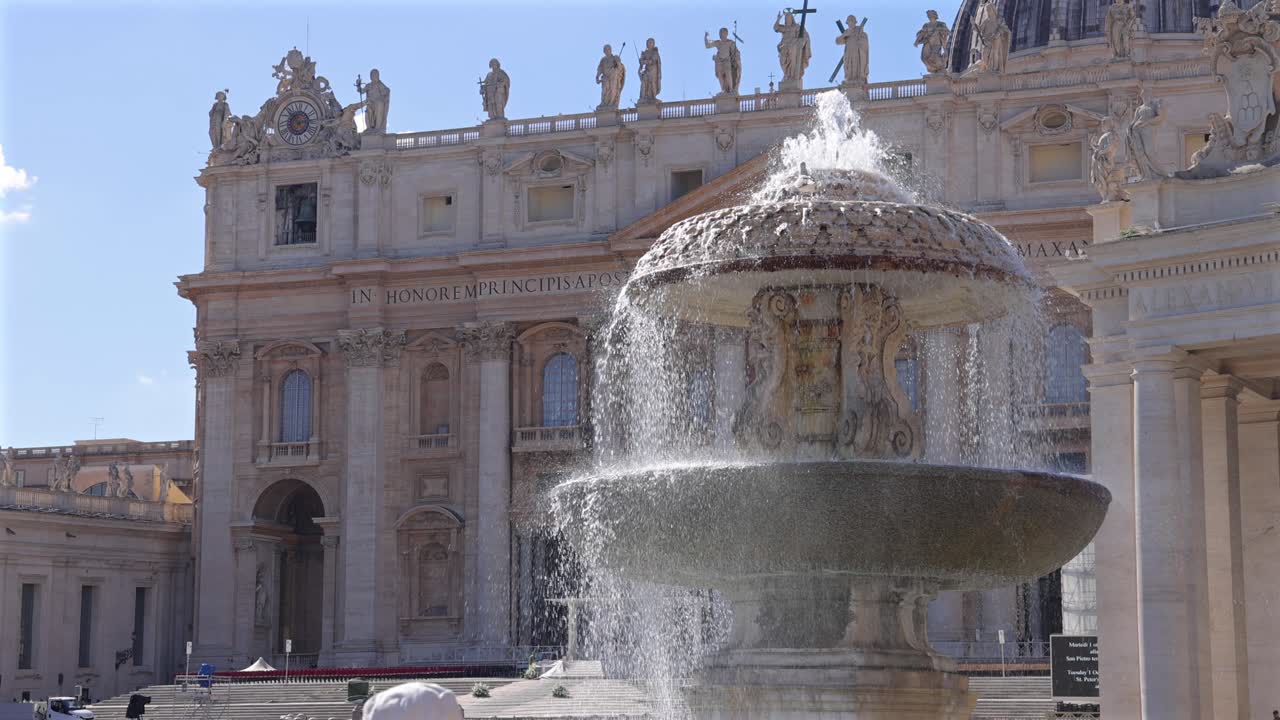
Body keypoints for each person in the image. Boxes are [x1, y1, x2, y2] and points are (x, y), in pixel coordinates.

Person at [705, 28, 742, 95]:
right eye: (721, 33)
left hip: (727, 61)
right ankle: (723, 90)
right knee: (720, 75)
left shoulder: (730, 42)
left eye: (724, 33)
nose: (722, 34)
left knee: (728, 74)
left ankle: (731, 90)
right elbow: (708, 45)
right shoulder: (718, 43)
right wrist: (706, 36)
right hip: (719, 61)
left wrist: (736, 58)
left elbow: (735, 52)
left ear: (727, 34)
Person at [638, 38, 662, 104]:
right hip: (646, 70)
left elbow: (652, 61)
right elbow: (642, 63)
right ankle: (644, 97)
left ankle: (653, 96)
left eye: (651, 42)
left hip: (653, 71)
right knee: (644, 83)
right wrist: (641, 61)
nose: (650, 44)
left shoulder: (655, 53)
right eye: (649, 42)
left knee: (652, 83)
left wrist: (644, 61)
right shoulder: (645, 53)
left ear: (653, 44)